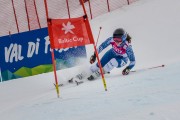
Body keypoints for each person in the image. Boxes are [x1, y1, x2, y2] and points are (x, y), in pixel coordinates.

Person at [70, 28, 136, 84]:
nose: (116, 41)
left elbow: (133, 61)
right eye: (115, 39)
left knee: (113, 61)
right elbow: (102, 46)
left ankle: (100, 72)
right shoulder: (111, 40)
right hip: (112, 53)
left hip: (122, 59)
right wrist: (95, 55)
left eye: (119, 40)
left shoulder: (127, 47)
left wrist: (128, 68)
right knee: (98, 65)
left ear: (124, 38)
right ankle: (83, 74)